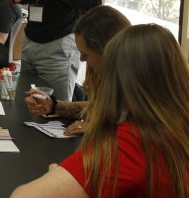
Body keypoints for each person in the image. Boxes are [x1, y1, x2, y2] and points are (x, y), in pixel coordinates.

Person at [11, 24, 189, 198]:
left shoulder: (131, 144)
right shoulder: (176, 124)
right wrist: (56, 106)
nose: (82, 61)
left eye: (86, 55)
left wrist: (56, 175)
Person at [24, 5, 130, 135]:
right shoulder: (114, 76)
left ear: (107, 51)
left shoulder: (138, 84)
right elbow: (99, 107)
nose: (81, 59)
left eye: (86, 55)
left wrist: (100, 129)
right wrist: (53, 106)